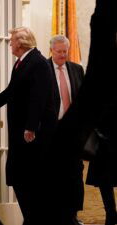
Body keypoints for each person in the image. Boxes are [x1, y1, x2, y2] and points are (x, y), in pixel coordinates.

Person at [0, 27, 57, 225]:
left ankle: (34, 219)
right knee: (19, 176)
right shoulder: (23, 62)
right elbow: (12, 91)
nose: (9, 43)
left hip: (31, 134)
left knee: (27, 179)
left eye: (12, 40)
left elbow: (39, 99)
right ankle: (32, 219)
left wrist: (31, 127)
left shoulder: (38, 63)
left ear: (22, 42)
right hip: (20, 132)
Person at [48, 35, 85, 224]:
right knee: (55, 175)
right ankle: (57, 216)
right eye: (58, 51)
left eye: (65, 51)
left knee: (75, 175)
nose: (62, 55)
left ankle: (73, 215)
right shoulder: (43, 70)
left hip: (73, 132)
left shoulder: (77, 69)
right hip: (51, 132)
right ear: (51, 50)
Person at [86, 102, 117, 225]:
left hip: (105, 136)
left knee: (105, 180)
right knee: (104, 180)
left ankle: (111, 215)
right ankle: (111, 214)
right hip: (103, 139)